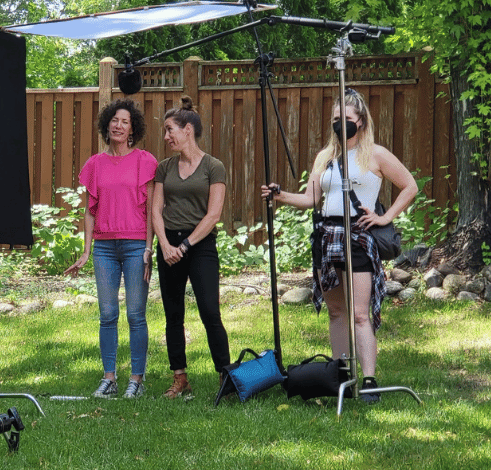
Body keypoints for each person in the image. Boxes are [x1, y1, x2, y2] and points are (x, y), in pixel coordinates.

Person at [261, 87, 417, 403]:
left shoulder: (375, 154)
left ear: (360, 121)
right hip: (327, 237)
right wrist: (280, 195)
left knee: (359, 313)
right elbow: (311, 199)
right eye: (335, 118)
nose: (339, 123)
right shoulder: (325, 156)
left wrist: (384, 218)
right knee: (335, 311)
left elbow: (410, 186)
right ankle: (340, 373)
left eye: (345, 118)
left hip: (358, 236)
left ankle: (369, 380)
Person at [64, 98, 158, 399]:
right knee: (107, 314)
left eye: (125, 122)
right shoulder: (94, 165)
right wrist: (86, 250)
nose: (118, 125)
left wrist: (148, 249)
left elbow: (152, 210)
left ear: (133, 129)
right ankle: (109, 378)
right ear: (107, 125)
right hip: (104, 248)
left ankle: (137, 380)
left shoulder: (146, 161)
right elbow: (90, 210)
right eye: (114, 120)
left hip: (134, 247)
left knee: (135, 314)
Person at [153, 95, 231, 399]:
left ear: (188, 130)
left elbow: (213, 214)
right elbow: (155, 210)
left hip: (199, 246)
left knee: (210, 311)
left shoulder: (214, 166)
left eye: (170, 129)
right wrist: (165, 244)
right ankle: (180, 378)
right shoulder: (164, 168)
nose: (166, 136)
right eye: (165, 131)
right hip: (168, 245)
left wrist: (184, 245)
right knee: (173, 314)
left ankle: (225, 376)